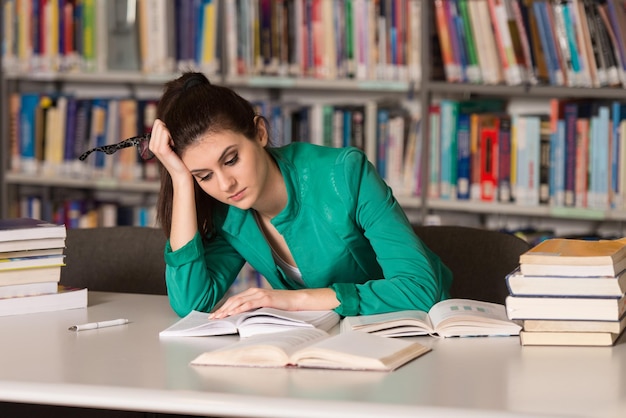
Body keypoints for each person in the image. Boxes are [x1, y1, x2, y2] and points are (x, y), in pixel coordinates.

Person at [149, 71, 452, 319]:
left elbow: (420, 290)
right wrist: (180, 179)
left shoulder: (345, 174)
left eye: (231, 160)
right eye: (204, 176)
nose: (225, 184)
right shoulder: (229, 212)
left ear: (260, 133)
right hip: (326, 347)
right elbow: (190, 304)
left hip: (413, 335)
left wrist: (293, 300)